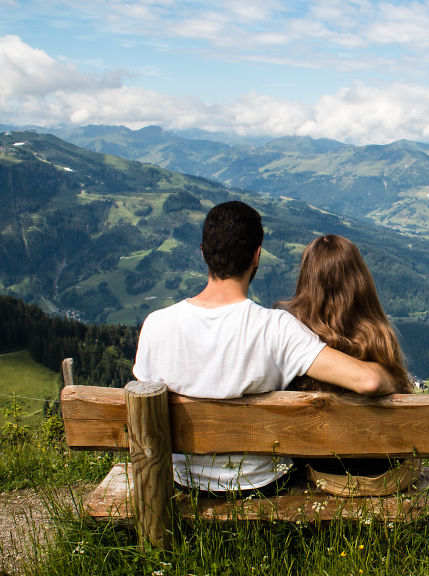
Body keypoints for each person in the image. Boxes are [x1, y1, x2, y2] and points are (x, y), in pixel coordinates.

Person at [132, 202, 397, 493]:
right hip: (259, 484)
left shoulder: (156, 325)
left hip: (183, 483)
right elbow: (368, 381)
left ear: (203, 252)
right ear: (257, 255)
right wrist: (390, 376)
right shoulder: (277, 329)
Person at [276, 234, 416, 494]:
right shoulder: (380, 337)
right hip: (387, 475)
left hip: (326, 474)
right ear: (360, 280)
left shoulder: (296, 338)